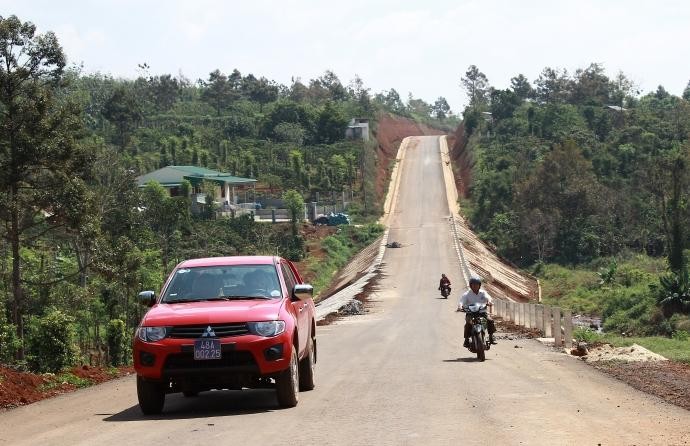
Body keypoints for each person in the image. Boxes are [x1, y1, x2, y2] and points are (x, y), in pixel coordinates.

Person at [457, 277, 497, 346]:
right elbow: (461, 301)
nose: (475, 286)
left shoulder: (483, 293)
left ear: (479, 285)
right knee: (467, 325)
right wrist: (460, 306)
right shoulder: (467, 294)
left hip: (482, 313)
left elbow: (488, 297)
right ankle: (466, 339)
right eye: (473, 284)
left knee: (490, 320)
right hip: (470, 314)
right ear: (470, 285)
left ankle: (491, 336)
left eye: (477, 284)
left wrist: (489, 302)